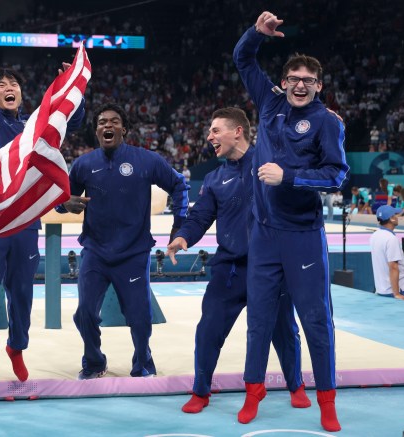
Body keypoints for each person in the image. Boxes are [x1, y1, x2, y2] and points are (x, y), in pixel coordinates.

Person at [233, 11, 349, 432]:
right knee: (259, 320)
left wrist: (290, 177)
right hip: (264, 234)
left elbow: (337, 174)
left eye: (309, 80)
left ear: (319, 86)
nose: (300, 84)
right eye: (294, 77)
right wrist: (255, 35)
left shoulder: (327, 121)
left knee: (316, 320)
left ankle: (327, 401)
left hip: (302, 235)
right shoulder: (269, 102)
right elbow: (243, 60)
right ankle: (253, 392)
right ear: (283, 82)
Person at [0, 15, 86, 391]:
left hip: (24, 224)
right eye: (1, 84)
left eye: (13, 83)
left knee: (22, 293)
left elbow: (70, 121)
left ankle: (17, 347)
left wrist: (71, 86)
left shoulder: (33, 129)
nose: (7, 87)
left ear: (21, 93)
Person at [166, 108, 310, 414]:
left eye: (216, 130)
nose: (209, 137)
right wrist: (183, 237)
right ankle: (201, 391)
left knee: (283, 330)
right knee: (208, 330)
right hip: (229, 269)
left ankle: (295, 384)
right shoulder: (216, 177)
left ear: (238, 132)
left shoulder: (271, 165)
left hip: (272, 268)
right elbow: (200, 215)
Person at [57, 102, 190, 379]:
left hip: (133, 253)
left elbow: (179, 184)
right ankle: (94, 362)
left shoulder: (146, 160)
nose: (108, 125)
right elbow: (62, 201)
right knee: (84, 314)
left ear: (124, 129)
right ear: (96, 131)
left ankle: (143, 362)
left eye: (114, 121)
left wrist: (178, 227)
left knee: (140, 317)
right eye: (102, 122)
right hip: (95, 251)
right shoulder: (83, 164)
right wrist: (65, 205)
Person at [369, 205, 404, 300]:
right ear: (392, 219)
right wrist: (396, 294)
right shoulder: (391, 239)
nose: (397, 216)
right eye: (395, 215)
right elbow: (393, 267)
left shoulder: (375, 235)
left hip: (381, 288)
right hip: (395, 290)